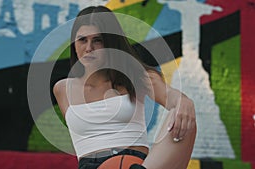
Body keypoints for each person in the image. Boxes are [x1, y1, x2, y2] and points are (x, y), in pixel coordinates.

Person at [53, 6, 196, 169]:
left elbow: (171, 97)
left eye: (97, 40)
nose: (88, 48)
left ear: (111, 42)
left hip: (136, 163)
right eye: (82, 40)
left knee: (182, 115)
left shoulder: (137, 76)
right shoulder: (62, 89)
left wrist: (183, 101)